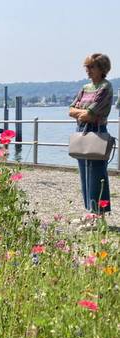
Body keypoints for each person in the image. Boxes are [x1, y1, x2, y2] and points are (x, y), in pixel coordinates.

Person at [69, 53, 114, 222]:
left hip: (97, 130)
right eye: (86, 67)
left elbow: (91, 113)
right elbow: (71, 110)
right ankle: (90, 211)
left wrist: (85, 113)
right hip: (82, 130)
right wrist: (84, 113)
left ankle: (99, 213)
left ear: (102, 68)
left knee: (97, 173)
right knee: (84, 172)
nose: (87, 70)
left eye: (91, 67)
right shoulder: (84, 88)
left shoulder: (105, 87)